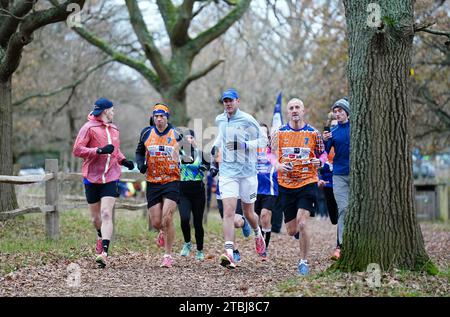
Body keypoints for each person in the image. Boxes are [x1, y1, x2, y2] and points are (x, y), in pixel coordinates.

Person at [73, 97, 134, 268]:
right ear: (106, 111)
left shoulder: (114, 129)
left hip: (111, 176)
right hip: (91, 177)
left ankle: (104, 253)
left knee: (107, 213)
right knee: (95, 218)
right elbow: (77, 150)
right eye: (112, 110)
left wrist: (123, 161)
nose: (114, 112)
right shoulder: (88, 128)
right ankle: (100, 236)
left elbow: (115, 150)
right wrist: (98, 151)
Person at [270, 98, 327, 275]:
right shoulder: (278, 133)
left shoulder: (313, 133)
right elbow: (269, 154)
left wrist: (321, 161)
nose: (295, 110)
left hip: (307, 182)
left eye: (297, 107)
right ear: (288, 112)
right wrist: (277, 165)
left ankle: (303, 262)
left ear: (303, 110)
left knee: (302, 224)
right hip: (286, 185)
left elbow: (323, 153)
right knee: (291, 230)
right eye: (291, 108)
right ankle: (299, 235)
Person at [212, 88, 267, 269]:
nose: (228, 103)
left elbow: (263, 141)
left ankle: (258, 234)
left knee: (249, 212)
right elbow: (221, 136)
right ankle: (229, 252)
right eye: (225, 101)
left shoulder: (248, 120)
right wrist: (214, 148)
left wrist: (243, 144)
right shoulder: (220, 119)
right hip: (228, 172)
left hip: (247, 173)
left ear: (238, 101)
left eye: (231, 100)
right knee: (228, 212)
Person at [135, 103, 182, 268]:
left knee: (167, 217)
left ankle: (168, 256)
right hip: (153, 181)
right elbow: (139, 152)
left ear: (167, 118)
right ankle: (162, 231)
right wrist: (141, 164)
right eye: (156, 116)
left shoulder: (176, 134)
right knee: (156, 222)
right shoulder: (146, 133)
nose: (159, 119)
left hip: (172, 180)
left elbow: (188, 153)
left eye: (162, 116)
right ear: (153, 118)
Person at [323, 98, 350, 261]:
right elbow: (325, 153)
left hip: (357, 174)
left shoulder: (357, 129)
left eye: (341, 111)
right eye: (335, 111)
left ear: (347, 112)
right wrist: (326, 141)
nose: (338, 114)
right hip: (339, 175)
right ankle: (340, 246)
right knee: (344, 209)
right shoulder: (333, 132)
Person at [178, 129, 210, 261]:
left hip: (198, 191)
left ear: (194, 139)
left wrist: (204, 167)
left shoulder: (200, 153)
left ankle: (200, 250)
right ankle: (187, 243)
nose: (188, 140)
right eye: (185, 138)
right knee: (184, 219)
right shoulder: (178, 153)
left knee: (197, 222)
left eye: (190, 137)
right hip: (183, 191)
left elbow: (208, 165)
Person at [255, 123, 278, 261]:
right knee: (255, 219)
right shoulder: (252, 149)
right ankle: (259, 239)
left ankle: (265, 248)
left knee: (265, 215)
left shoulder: (273, 149)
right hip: (254, 189)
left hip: (270, 189)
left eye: (264, 133)